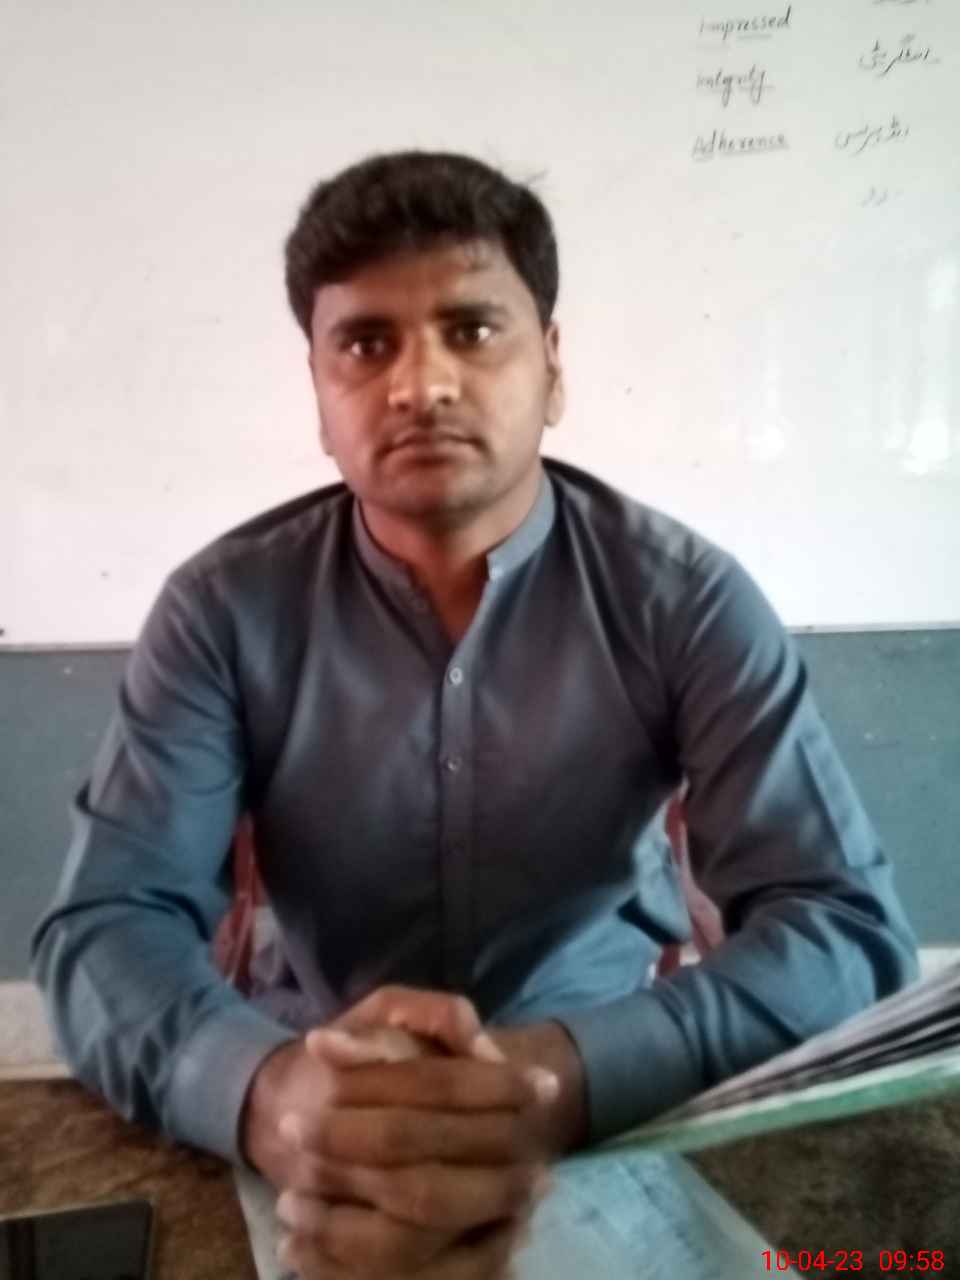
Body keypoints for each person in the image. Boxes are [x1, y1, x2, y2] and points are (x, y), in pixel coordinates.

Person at [32, 149, 919, 1279]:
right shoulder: (220, 611)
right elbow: (108, 925)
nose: (421, 385)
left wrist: (558, 1077)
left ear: (553, 367)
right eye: (366, 345)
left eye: (472, 329)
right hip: (323, 1104)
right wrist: (270, 1096)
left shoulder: (685, 600)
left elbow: (844, 926)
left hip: (600, 1102)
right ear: (318, 393)